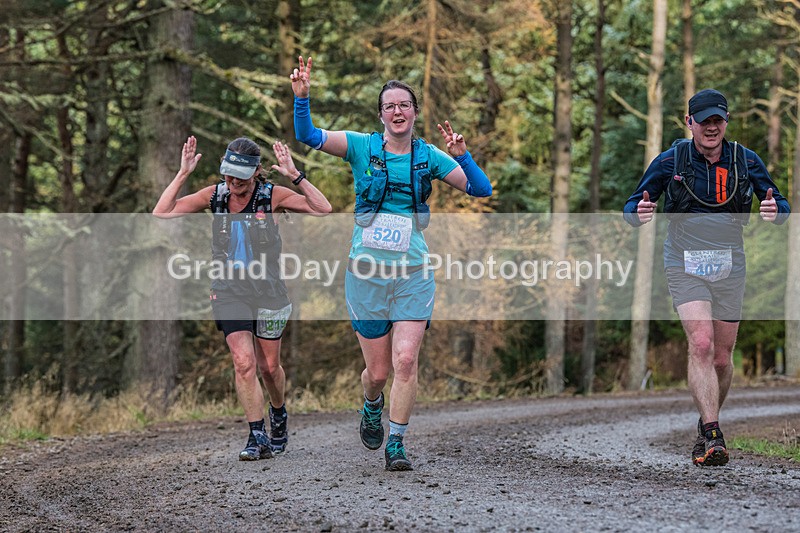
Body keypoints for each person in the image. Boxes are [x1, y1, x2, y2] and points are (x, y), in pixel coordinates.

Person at [290, 56, 492, 471]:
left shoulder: (431, 156)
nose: (397, 112)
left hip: (413, 274)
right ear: (380, 114)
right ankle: (371, 404)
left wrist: (463, 155)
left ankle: (396, 443)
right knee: (378, 373)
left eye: (404, 105)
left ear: (415, 112)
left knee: (405, 360)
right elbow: (307, 135)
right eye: (389, 106)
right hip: (366, 275)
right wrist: (302, 98)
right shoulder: (361, 147)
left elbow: (480, 189)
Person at [623, 89, 790, 466]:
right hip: (684, 261)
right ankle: (714, 434)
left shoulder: (745, 161)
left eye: (718, 120)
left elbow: (780, 205)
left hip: (731, 261)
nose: (711, 127)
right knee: (700, 343)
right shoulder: (671, 160)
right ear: (690, 123)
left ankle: (705, 421)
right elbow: (632, 207)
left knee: (720, 357)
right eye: (704, 121)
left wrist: (773, 209)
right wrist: (641, 211)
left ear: (725, 122)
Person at [154, 136, 332, 461]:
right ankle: (256, 435)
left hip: (268, 291)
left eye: (240, 175)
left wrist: (296, 174)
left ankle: (278, 411)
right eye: (228, 174)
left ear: (256, 172)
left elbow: (323, 208)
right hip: (229, 289)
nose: (233, 182)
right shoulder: (216, 195)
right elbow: (162, 211)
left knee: (268, 367)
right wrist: (182, 174)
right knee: (243, 362)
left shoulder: (271, 195)